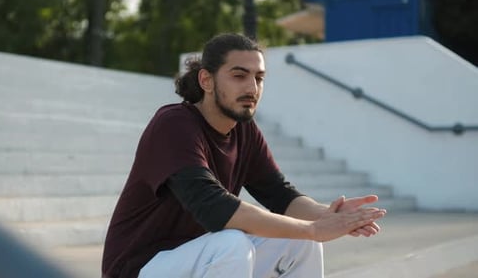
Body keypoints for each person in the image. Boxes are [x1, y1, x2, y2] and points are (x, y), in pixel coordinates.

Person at [102, 33, 386, 278]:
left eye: (259, 78)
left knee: (300, 243)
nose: (252, 88)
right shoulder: (173, 125)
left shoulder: (244, 131)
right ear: (206, 80)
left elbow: (280, 195)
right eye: (239, 76)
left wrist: (329, 215)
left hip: (197, 263)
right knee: (233, 243)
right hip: (139, 269)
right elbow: (214, 207)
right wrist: (313, 228)